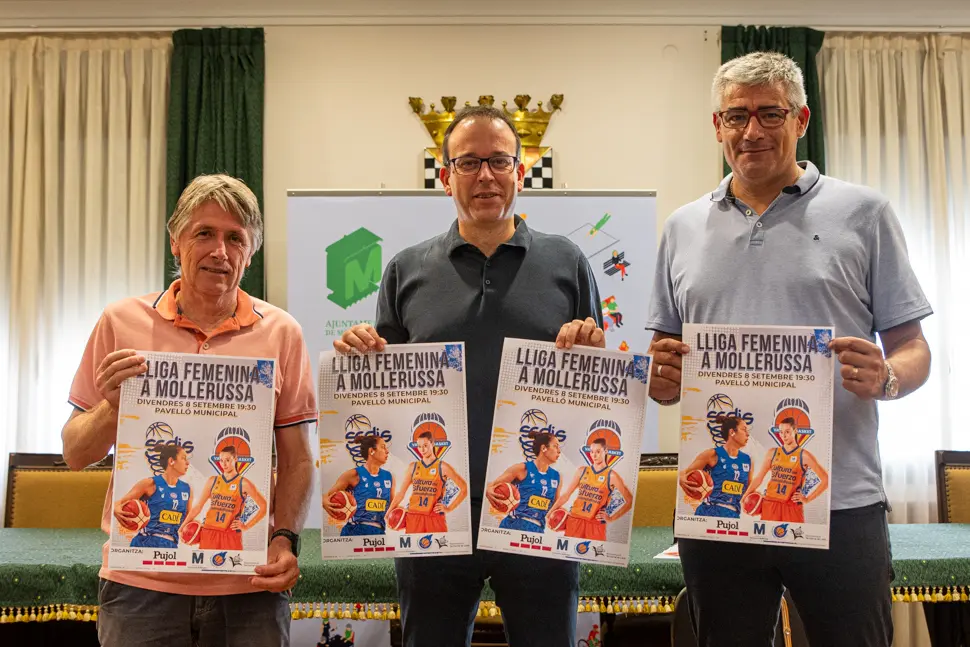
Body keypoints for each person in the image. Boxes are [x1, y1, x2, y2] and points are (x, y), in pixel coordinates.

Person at [647, 51, 932, 647]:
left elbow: (913, 348)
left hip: (841, 499)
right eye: (736, 116)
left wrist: (887, 378)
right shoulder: (680, 227)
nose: (751, 131)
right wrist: (663, 377)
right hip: (723, 506)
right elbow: (664, 361)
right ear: (717, 127)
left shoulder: (865, 212)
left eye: (769, 114)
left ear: (801, 119)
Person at [334, 104, 605, 647]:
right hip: (433, 511)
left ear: (520, 171)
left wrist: (593, 350)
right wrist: (357, 350)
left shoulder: (566, 260)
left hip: (539, 508)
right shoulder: (406, 270)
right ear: (446, 175)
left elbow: (596, 382)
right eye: (469, 162)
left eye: (499, 161)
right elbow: (386, 389)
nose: (485, 175)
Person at [62, 174, 317, 647]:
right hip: (140, 584)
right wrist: (111, 409)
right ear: (176, 242)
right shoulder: (119, 322)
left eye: (235, 238)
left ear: (250, 252)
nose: (220, 250)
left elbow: (299, 458)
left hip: (249, 584)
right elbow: (76, 453)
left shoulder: (283, 333)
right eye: (204, 233)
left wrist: (284, 539)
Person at [744, 417, 829, 523]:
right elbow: (759, 478)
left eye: (787, 432)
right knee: (767, 539)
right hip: (770, 504)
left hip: (791, 506)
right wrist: (745, 496)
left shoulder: (804, 456)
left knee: (796, 538)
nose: (783, 435)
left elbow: (825, 479)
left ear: (795, 431)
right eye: (781, 432)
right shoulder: (772, 453)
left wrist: (807, 499)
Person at [186, 444, 268, 550]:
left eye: (227, 460)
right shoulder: (212, 480)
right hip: (209, 532)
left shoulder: (244, 483)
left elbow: (264, 506)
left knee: (233, 566)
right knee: (204, 566)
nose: (224, 464)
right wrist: (183, 525)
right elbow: (198, 506)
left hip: (230, 534)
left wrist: (246, 526)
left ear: (235, 459)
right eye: (221, 460)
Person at [550, 436, 633, 540]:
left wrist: (611, 518)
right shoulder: (582, 471)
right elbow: (566, 495)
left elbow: (630, 500)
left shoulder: (612, 476)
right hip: (575, 521)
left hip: (595, 524)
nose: (594, 455)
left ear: (606, 451)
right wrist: (550, 513)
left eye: (598, 451)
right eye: (592, 451)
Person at [388, 425, 468, 534]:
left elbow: (464, 488)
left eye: (425, 445)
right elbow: (401, 493)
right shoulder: (413, 467)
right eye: (419, 446)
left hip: (434, 517)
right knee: (413, 550)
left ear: (432, 443)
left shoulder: (443, 467)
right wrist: (388, 512)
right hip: (414, 516)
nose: (422, 449)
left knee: (439, 549)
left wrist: (449, 508)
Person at [114, 443, 193, 548]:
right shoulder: (149, 483)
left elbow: (188, 520)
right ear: (171, 461)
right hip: (146, 541)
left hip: (171, 545)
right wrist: (116, 509)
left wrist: (197, 529)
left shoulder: (187, 489)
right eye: (183, 458)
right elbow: (120, 503)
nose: (187, 463)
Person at [485, 430, 561, 532]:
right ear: (543, 448)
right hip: (514, 524)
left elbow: (556, 508)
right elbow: (492, 486)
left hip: (537, 529)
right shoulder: (521, 469)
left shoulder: (556, 477)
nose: (559, 451)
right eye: (555, 446)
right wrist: (488, 490)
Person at [677, 416, 752, 518]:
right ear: (732, 432)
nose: (747, 434)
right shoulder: (712, 454)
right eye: (744, 430)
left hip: (733, 514)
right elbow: (684, 473)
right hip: (709, 511)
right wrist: (681, 479)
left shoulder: (747, 460)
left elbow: (749, 491)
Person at [325, 435, 395, 536]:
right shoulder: (353, 474)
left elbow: (392, 508)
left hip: (379, 532)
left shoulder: (389, 477)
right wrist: (324, 501)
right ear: (371, 451)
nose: (387, 451)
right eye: (383, 447)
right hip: (355, 530)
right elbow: (328, 496)